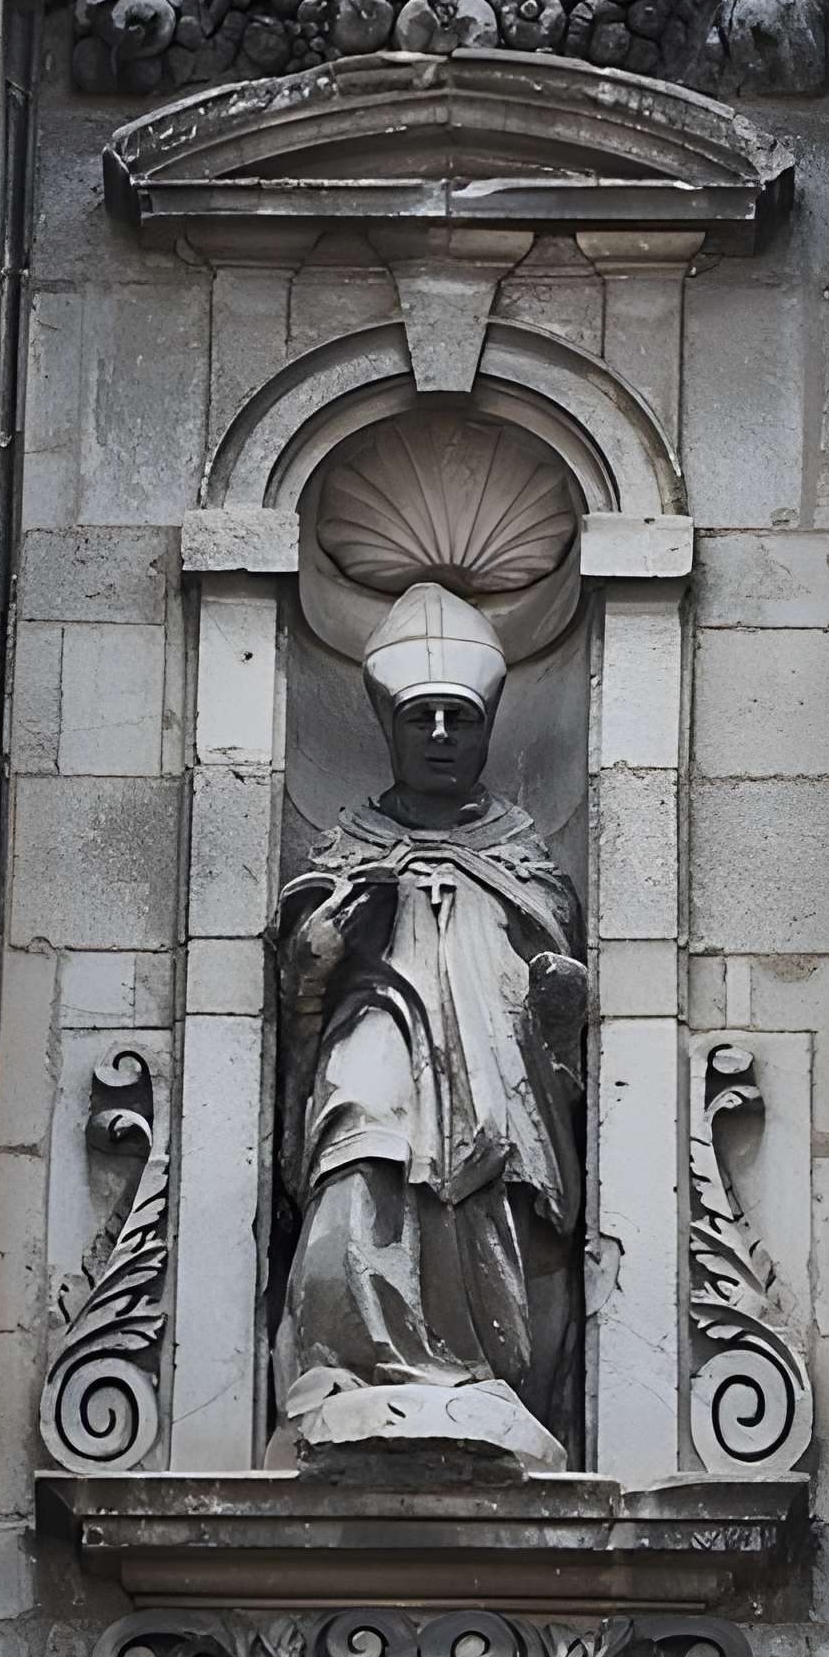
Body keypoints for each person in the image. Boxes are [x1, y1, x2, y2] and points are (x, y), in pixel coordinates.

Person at [272, 581, 587, 1469]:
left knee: (491, 1199)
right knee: (355, 1162)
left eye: (458, 718)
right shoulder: (350, 843)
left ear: (487, 728)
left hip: (495, 1071)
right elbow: (300, 974)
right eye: (423, 720)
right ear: (391, 730)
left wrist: (556, 1010)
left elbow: (548, 956)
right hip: (377, 1037)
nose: (442, 735)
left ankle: (482, 1374)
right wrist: (329, 940)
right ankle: (348, 1367)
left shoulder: (523, 854)